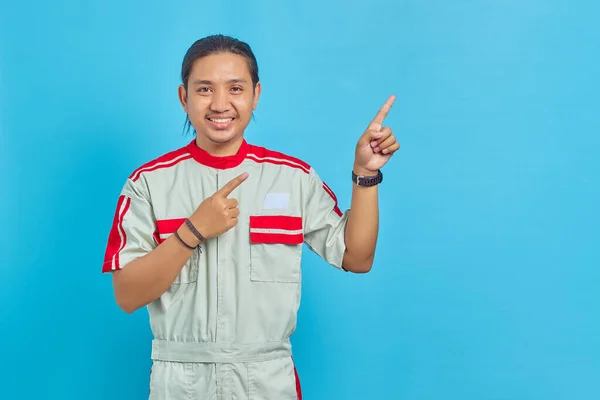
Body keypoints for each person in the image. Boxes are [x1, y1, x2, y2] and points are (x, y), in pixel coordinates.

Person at [102, 34, 399, 400]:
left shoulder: (294, 178)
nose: (220, 104)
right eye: (205, 89)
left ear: (256, 94)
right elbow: (127, 295)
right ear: (184, 98)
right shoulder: (148, 183)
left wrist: (365, 175)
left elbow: (357, 257)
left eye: (236, 88)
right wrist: (190, 232)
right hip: (181, 382)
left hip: (266, 381)